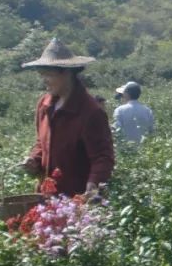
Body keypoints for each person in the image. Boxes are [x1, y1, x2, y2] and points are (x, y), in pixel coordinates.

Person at [20, 38, 115, 198]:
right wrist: (34, 160)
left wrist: (92, 187)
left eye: (48, 75)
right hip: (46, 197)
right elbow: (41, 144)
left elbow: (103, 157)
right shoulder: (44, 104)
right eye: (41, 75)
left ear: (67, 73)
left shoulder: (90, 112)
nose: (44, 80)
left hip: (74, 201)